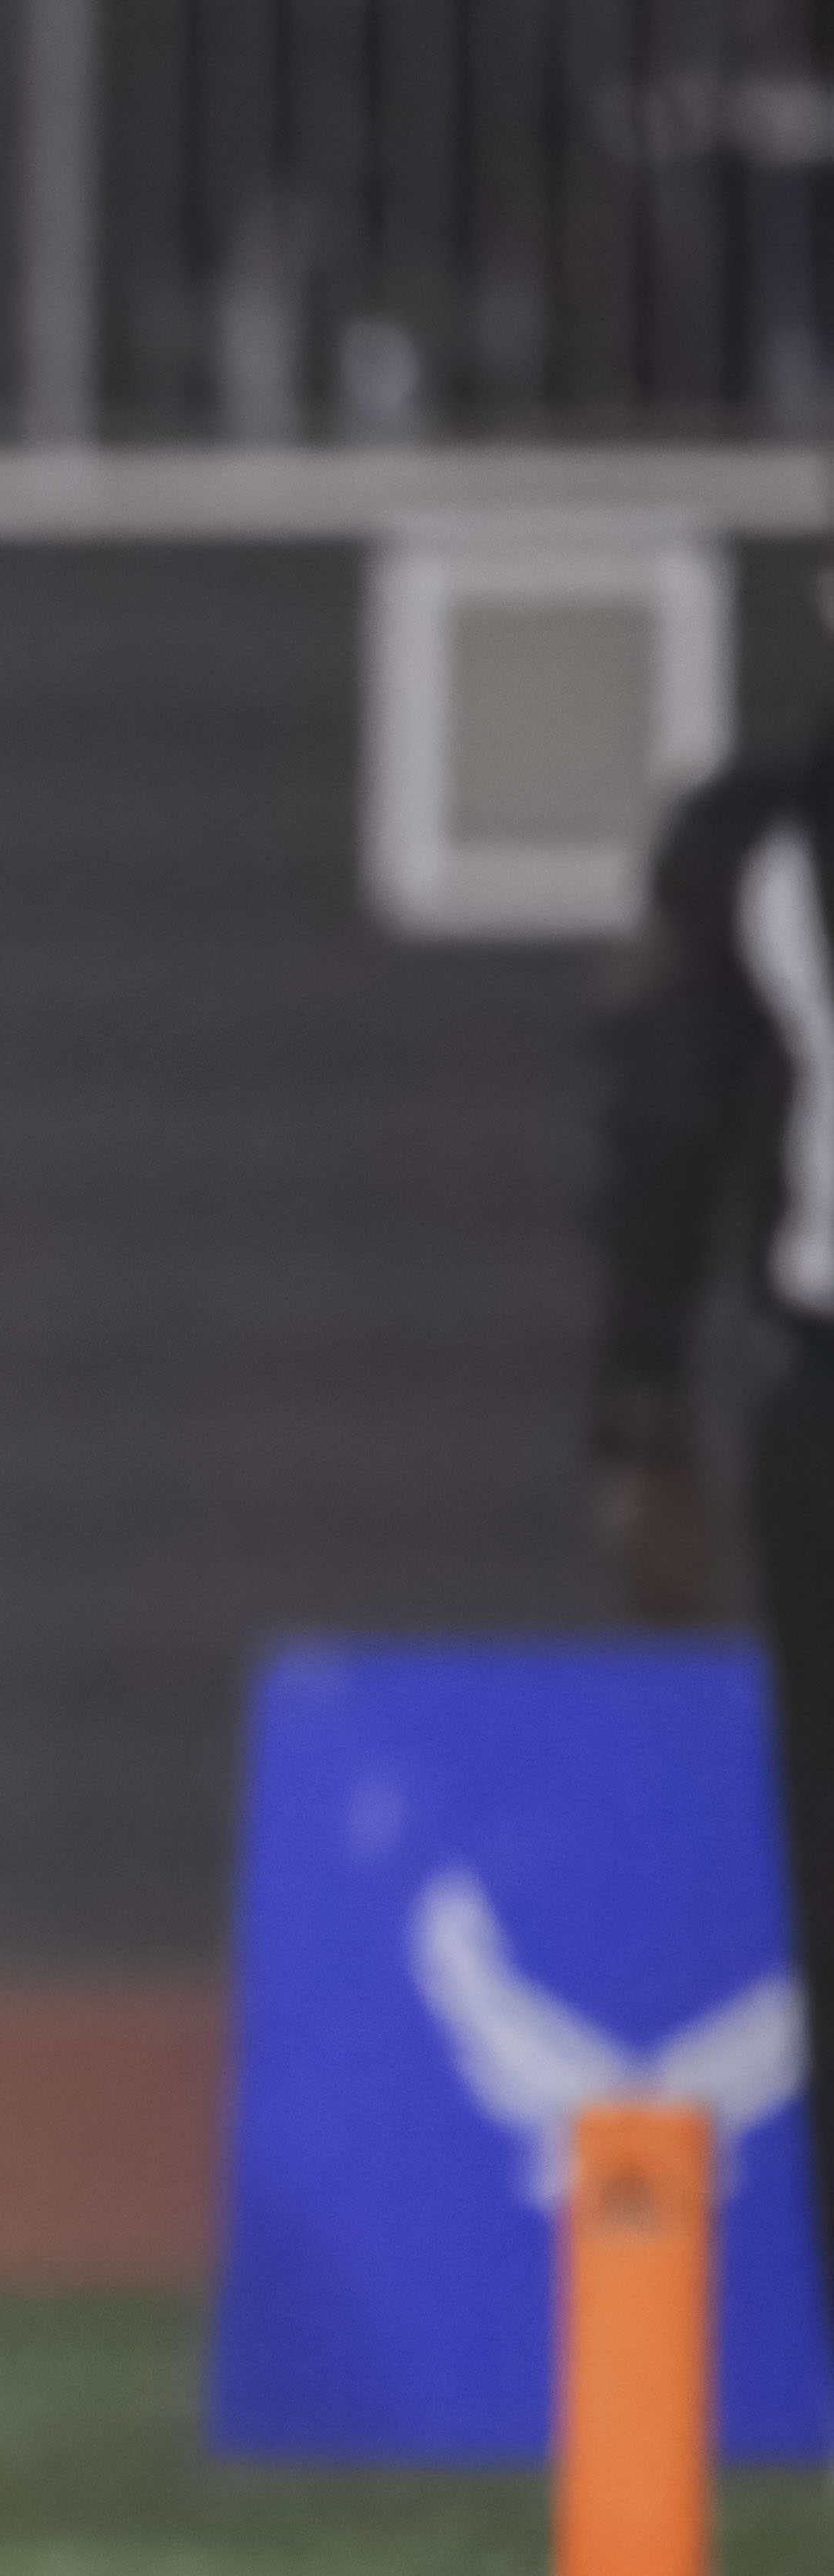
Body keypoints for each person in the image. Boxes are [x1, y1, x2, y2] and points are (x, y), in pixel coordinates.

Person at [592, 595, 834, 2306]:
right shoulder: (751, 840)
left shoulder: (755, 837)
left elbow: (659, 1133)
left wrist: (636, 1411)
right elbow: (667, 1126)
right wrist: (640, 1411)